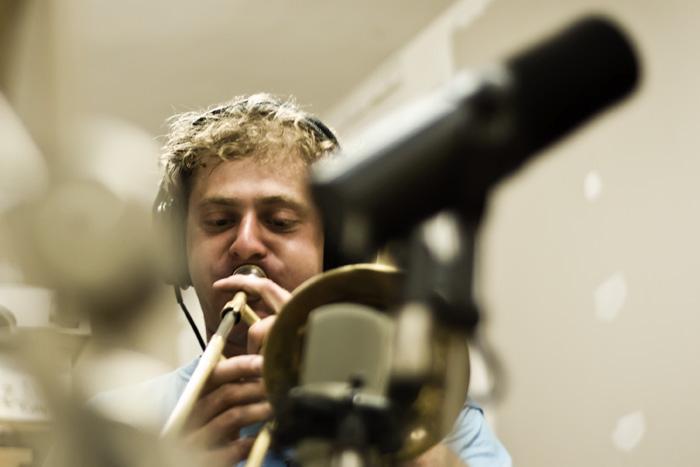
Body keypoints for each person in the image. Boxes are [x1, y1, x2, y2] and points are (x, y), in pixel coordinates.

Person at [95, 93, 511, 467]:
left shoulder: (428, 419)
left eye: (280, 221)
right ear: (178, 251)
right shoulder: (114, 422)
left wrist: (383, 431)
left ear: (334, 252)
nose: (245, 243)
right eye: (219, 221)